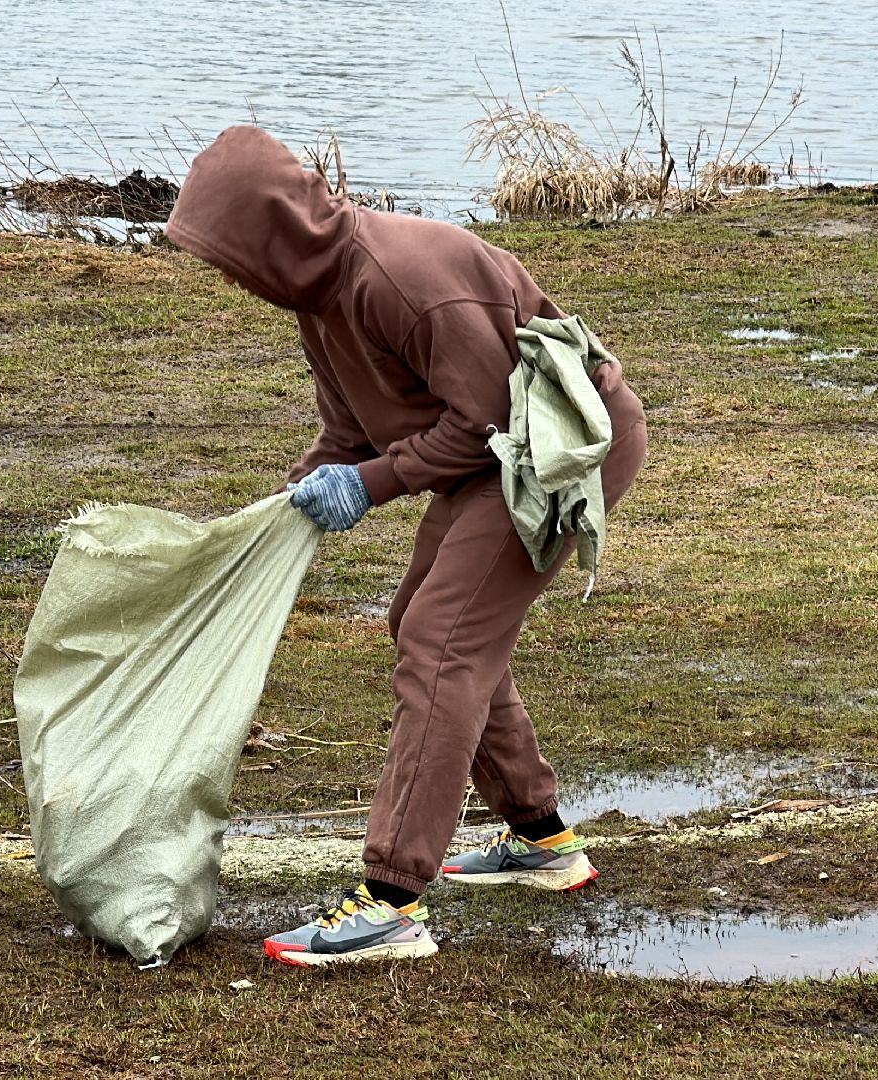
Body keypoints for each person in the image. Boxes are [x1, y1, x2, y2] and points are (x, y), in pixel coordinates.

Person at [165, 126, 648, 966]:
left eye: (229, 255)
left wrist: (372, 485)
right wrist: (298, 495)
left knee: (441, 645)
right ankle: (543, 839)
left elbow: (487, 422)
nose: (228, 276)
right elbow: (350, 424)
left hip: (556, 454)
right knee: (424, 626)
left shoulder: (405, 278)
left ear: (272, 231)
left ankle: (391, 901)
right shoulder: (319, 297)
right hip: (489, 457)